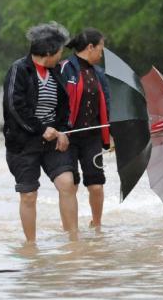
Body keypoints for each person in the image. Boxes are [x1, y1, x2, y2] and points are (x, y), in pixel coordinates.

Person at [3, 22, 78, 243]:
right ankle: (31, 246)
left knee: (67, 182)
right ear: (48, 52)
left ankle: (73, 241)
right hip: (23, 143)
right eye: (60, 51)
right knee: (28, 195)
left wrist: (63, 131)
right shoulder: (19, 69)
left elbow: (64, 107)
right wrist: (41, 129)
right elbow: (15, 107)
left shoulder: (56, 72)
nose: (61, 55)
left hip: (53, 141)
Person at [61, 28, 110, 228]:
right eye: (100, 49)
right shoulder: (64, 68)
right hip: (68, 138)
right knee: (70, 185)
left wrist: (112, 133)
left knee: (96, 186)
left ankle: (96, 225)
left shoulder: (99, 73)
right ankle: (70, 231)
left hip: (92, 138)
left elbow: (106, 104)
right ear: (90, 47)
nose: (101, 53)